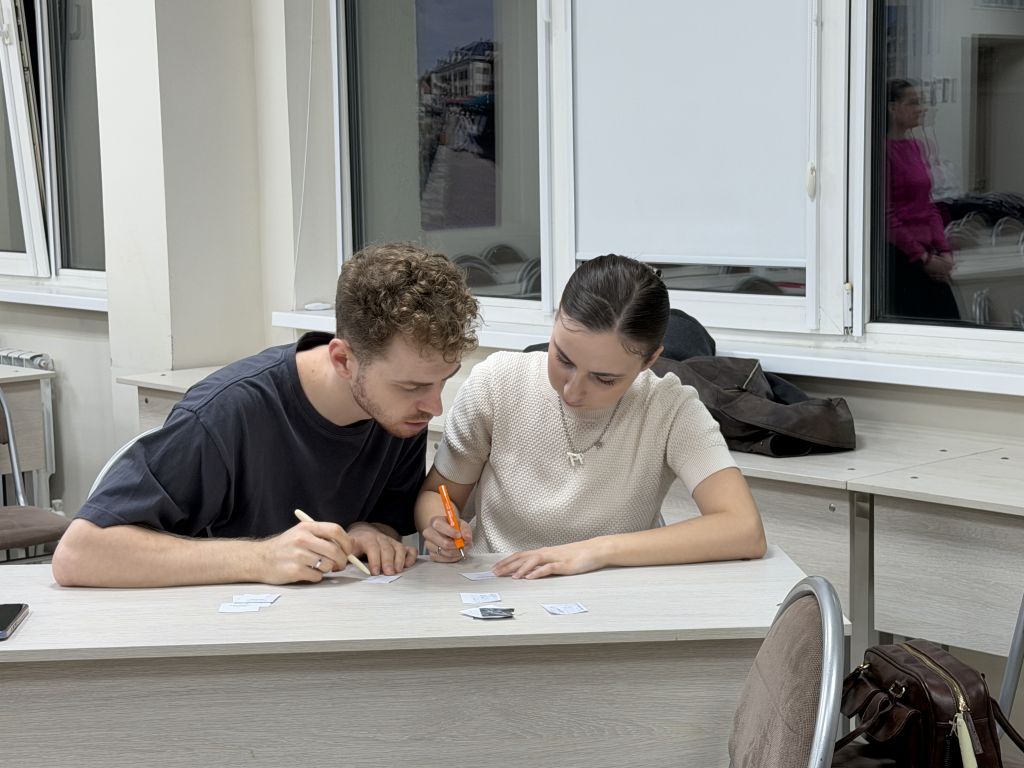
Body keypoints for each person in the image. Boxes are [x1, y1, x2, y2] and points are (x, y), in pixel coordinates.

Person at [52, 244, 480, 588]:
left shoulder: (398, 414)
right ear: (343, 360)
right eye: (411, 387)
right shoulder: (225, 413)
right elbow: (79, 553)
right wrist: (261, 557)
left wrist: (368, 532)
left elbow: (386, 521)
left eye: (443, 381)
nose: (434, 407)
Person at [414, 254, 767, 580]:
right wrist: (438, 525)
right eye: (563, 359)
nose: (572, 391)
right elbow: (438, 495)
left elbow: (744, 529)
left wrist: (598, 551)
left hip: (611, 594)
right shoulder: (496, 382)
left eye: (604, 379)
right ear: (557, 318)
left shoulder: (670, 408)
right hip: (499, 585)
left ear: (649, 360)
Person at [885, 78, 960, 320]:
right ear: (892, 108)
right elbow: (886, 217)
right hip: (901, 259)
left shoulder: (917, 146)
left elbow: (929, 205)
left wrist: (944, 252)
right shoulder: (882, 151)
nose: (923, 108)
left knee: (949, 321)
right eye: (914, 103)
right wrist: (924, 259)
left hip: (927, 255)